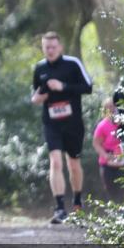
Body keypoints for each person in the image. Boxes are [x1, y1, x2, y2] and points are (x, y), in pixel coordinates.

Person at [30, 31, 93, 224]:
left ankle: (76, 202)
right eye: (46, 47)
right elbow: (35, 95)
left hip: (73, 122)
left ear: (60, 47)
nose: (49, 50)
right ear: (43, 48)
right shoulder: (39, 68)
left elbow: (88, 87)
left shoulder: (72, 64)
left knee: (73, 164)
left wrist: (63, 87)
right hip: (51, 123)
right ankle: (59, 208)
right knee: (55, 162)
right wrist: (37, 99)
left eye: (53, 47)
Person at [93, 98, 124, 202]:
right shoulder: (102, 126)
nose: (112, 109)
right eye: (109, 107)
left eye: (113, 106)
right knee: (112, 193)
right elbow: (96, 144)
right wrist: (105, 155)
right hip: (108, 164)